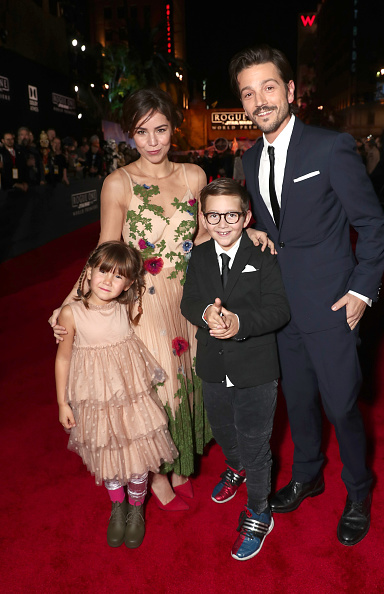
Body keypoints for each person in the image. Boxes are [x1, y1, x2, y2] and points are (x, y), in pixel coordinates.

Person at [50, 88, 269, 509]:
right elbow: (105, 249)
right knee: (160, 388)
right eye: (141, 131)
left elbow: (206, 237)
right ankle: (158, 475)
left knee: (192, 381)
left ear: (174, 128)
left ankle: (184, 462)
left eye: (161, 129)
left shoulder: (194, 177)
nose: (152, 141)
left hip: (191, 296)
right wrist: (70, 301)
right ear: (131, 135)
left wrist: (245, 232)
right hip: (143, 301)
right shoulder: (119, 182)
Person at [228, 44, 384, 546]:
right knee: (297, 403)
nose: (260, 101)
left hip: (332, 304)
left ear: (290, 90)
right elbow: (259, 226)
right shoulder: (247, 161)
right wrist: (251, 235)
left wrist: (363, 289)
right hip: (280, 309)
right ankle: (309, 475)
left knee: (341, 404)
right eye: (248, 94)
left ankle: (358, 489)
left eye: (269, 87)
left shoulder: (330, 147)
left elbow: (372, 223)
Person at [181, 178, 290, 560]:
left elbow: (279, 309)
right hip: (212, 364)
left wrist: (239, 323)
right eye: (214, 215)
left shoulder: (264, 255)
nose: (223, 223)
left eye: (231, 214)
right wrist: (206, 312)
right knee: (224, 430)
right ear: (204, 217)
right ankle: (235, 466)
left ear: (246, 217)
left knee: (256, 442)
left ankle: (260, 510)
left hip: (256, 366)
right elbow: (189, 301)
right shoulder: (198, 255)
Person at [55, 241, 178, 548]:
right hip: (95, 401)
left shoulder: (127, 306)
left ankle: (136, 509)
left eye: (119, 276)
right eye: (102, 271)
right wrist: (61, 402)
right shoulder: (71, 314)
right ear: (89, 272)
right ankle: (117, 505)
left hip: (130, 398)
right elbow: (63, 359)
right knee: (107, 456)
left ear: (129, 283)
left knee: (138, 457)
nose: (108, 280)